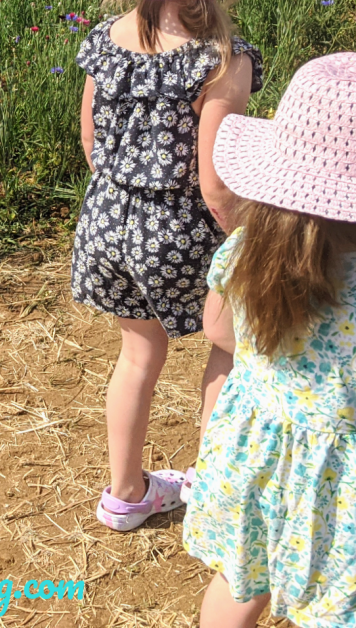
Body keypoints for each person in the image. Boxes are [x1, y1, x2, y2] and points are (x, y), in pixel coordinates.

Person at [72, 0, 301, 532]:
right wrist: (244, 239)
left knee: (138, 355)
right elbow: (215, 179)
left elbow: (90, 134)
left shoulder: (104, 41)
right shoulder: (223, 59)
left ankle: (124, 495)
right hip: (181, 228)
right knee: (225, 348)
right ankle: (219, 492)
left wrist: (120, 200)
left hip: (106, 219)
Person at [183, 51, 356, 627]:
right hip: (339, 487)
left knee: (238, 578)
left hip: (251, 453)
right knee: (331, 605)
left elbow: (217, 331)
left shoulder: (246, 251)